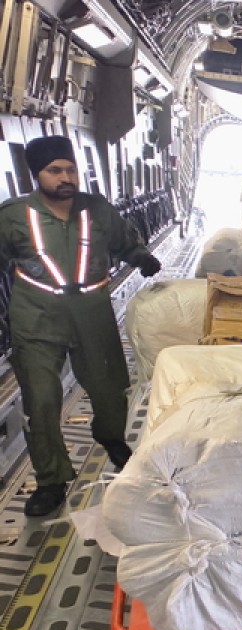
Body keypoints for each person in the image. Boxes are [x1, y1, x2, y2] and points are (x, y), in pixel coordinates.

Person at [0, 136, 162, 516]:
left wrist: (142, 258)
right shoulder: (12, 216)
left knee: (110, 388)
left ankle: (111, 437)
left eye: (70, 169)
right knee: (40, 399)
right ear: (36, 174)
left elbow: (124, 241)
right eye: (54, 171)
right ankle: (51, 480)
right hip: (36, 314)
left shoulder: (97, 209)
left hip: (92, 310)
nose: (66, 177)